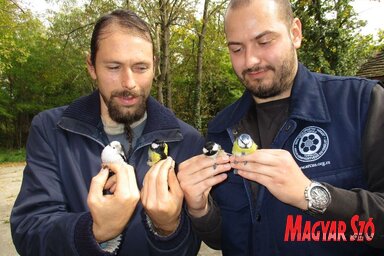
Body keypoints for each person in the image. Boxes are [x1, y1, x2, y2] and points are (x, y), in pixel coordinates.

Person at [177, 0, 384, 255]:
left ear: (295, 33)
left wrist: (310, 194)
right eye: (237, 48)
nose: (250, 60)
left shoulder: (362, 103)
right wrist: (200, 210)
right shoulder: (222, 129)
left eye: (264, 42)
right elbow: (224, 238)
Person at [11, 10, 204, 256]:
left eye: (141, 67)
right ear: (91, 66)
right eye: (114, 67)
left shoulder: (187, 141)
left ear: (155, 65)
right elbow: (29, 232)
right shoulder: (50, 130)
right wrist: (93, 230)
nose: (129, 82)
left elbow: (189, 248)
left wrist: (168, 228)